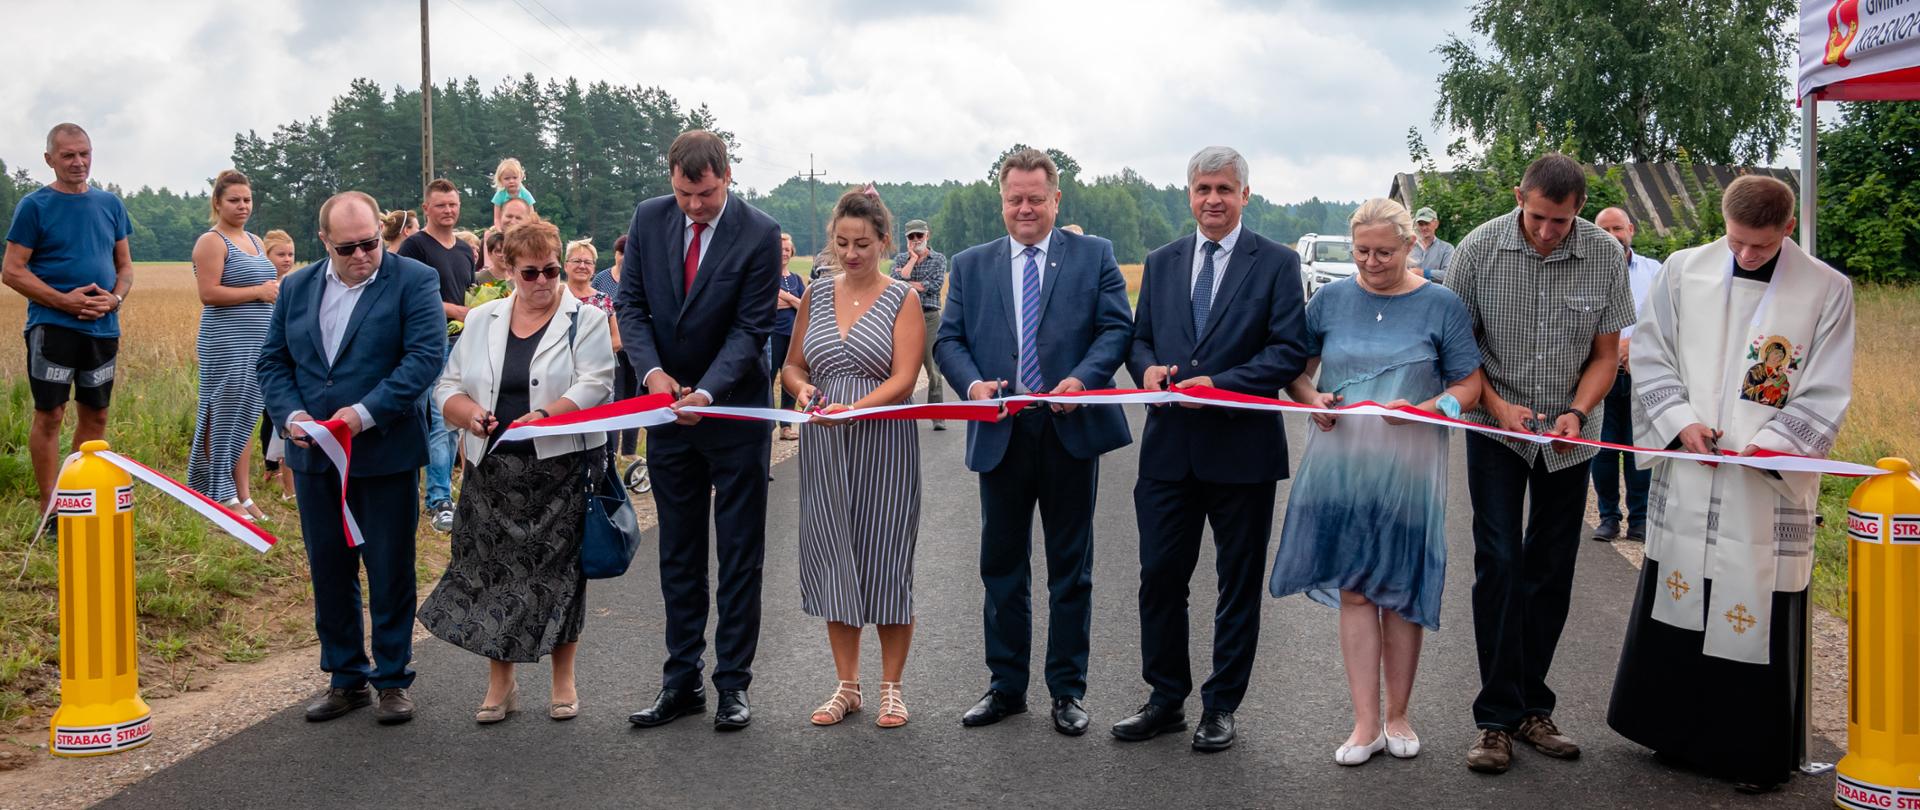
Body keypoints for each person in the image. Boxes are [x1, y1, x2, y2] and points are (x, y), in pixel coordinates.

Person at [1607, 175, 1855, 794]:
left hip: (1761, 481)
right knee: (1682, 589)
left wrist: (1768, 446)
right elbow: (1652, 351)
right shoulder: (1684, 270)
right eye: (1737, 241)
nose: (1745, 255)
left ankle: (1753, 752)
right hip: (1693, 464)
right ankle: (1672, 733)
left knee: (1753, 600)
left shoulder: (1826, 290)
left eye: (1760, 246)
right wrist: (1680, 422)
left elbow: (1826, 385)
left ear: (1787, 230)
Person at [1271, 198, 1486, 765]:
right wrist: (1310, 397)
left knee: (1399, 588)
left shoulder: (1441, 305)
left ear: (1411, 244)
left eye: (1384, 252)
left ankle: (1399, 714)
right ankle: (1365, 722)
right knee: (1356, 588)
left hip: (1409, 466)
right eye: (1362, 251)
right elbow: (1296, 369)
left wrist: (1429, 407)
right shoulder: (1330, 300)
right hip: (1341, 464)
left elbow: (1468, 384)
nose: (1371, 261)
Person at [1444, 153, 1633, 774]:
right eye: (1539, 217)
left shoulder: (1605, 254)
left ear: (1579, 209)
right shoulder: (1476, 250)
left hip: (1571, 435)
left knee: (1550, 568)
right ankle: (1495, 719)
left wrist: (1577, 411)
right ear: (1520, 195)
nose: (1549, 231)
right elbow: (1459, 354)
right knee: (1499, 560)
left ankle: (1533, 708)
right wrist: (1498, 407)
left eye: (1561, 221)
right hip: (1495, 428)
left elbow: (1607, 356)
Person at [1116, 147, 1309, 752]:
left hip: (1242, 453)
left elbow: (1288, 352)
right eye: (1203, 189)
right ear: (1189, 194)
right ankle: (1165, 698)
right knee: (1160, 577)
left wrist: (1220, 387)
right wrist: (1145, 370)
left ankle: (1221, 704)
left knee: (1237, 582)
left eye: (1225, 188)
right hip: (1169, 452)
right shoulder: (1162, 261)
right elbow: (1140, 338)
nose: (1213, 200)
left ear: (1245, 195)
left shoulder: (1275, 264)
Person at [934, 147, 1132, 736]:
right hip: (1002, 432)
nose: (1025, 209)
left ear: (1056, 200)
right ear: (1003, 200)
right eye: (1015, 199)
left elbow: (1116, 327)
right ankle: (1005, 686)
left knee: (1071, 570)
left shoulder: (1094, 256)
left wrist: (1086, 377)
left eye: (1036, 199)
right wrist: (970, 384)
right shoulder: (971, 265)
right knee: (1002, 566)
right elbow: (949, 340)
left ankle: (1068, 691)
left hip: (1070, 431)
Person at [257, 190, 446, 726]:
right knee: (329, 568)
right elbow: (273, 362)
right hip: (314, 456)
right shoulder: (295, 287)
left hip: (383, 451)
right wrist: (292, 417)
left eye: (370, 244)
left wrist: (362, 415)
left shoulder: (413, 280)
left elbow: (424, 358)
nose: (363, 255)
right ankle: (344, 677)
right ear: (325, 242)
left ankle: (391, 679)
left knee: (389, 569)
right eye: (349, 249)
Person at [617, 130, 783, 732]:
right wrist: (655, 374)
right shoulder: (648, 218)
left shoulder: (760, 233)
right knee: (679, 553)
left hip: (734, 413)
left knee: (740, 554)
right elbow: (630, 306)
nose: (694, 206)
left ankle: (733, 684)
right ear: (671, 180)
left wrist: (707, 393)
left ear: (727, 176)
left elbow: (751, 328)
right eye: (685, 193)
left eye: (706, 194)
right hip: (667, 414)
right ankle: (679, 680)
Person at [422, 219, 615, 724]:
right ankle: (500, 684)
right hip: (493, 469)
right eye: (531, 273)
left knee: (561, 576)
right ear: (508, 269)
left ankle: (563, 679)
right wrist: (468, 414)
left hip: (561, 467)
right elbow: (447, 385)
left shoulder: (585, 319)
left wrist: (551, 412)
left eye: (552, 270)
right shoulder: (483, 318)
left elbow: (599, 382)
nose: (544, 281)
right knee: (492, 574)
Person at [780, 190, 925, 728]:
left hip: (883, 438)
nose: (851, 253)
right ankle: (847, 686)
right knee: (836, 553)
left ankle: (892, 688)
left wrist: (855, 409)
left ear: (884, 242)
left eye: (862, 243)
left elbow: (905, 378)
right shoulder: (816, 294)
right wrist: (805, 394)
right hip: (824, 442)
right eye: (841, 243)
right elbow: (793, 366)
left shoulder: (901, 297)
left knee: (885, 557)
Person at [2, 123, 133, 523]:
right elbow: (12, 270)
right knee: (51, 414)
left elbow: (124, 267)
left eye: (84, 154)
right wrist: (64, 301)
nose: (78, 162)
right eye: (68, 156)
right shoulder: (34, 206)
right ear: (49, 160)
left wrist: (115, 299)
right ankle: (50, 505)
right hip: (52, 328)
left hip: (102, 329)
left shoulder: (110, 204)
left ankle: (79, 494)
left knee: (96, 415)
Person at [187, 170, 279, 520]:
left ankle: (241, 493)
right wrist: (258, 292)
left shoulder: (255, 241)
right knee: (220, 413)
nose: (242, 206)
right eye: (234, 200)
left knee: (245, 415)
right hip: (225, 342)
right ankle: (212, 488)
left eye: (247, 200)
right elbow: (208, 294)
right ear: (217, 203)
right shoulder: (211, 242)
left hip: (257, 342)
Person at [397, 178, 478, 535]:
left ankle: (441, 493)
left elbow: (471, 291)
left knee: (451, 422)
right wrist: (456, 310)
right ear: (426, 208)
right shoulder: (415, 246)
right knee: (436, 419)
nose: (449, 210)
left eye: (453, 204)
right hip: (428, 344)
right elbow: (409, 294)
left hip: (464, 344)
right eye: (441, 205)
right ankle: (439, 500)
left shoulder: (463, 250)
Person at [1587, 207, 1662, 542]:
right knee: (1602, 450)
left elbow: (1667, 320)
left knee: (1638, 448)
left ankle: (1640, 519)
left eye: (1618, 228)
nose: (1612, 235)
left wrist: (1636, 343)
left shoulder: (1655, 271)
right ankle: (1608, 517)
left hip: (1641, 375)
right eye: (1604, 230)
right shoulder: (1585, 270)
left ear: (1631, 229)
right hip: (1599, 376)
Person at [890, 218, 949, 430]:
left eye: (919, 236)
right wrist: (913, 259)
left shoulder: (939, 259)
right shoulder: (900, 259)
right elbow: (895, 284)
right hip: (905, 317)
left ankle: (937, 415)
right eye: (911, 237)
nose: (916, 240)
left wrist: (908, 284)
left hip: (930, 316)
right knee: (902, 368)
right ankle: (902, 413)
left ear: (927, 235)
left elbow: (934, 286)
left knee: (933, 368)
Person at [259, 229, 298, 501]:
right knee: (267, 413)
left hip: (288, 356)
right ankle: (270, 465)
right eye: (280, 254)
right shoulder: (262, 286)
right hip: (265, 356)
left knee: (278, 414)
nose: (286, 259)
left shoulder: (296, 284)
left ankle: (278, 466)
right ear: (266, 256)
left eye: (290, 254)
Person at [592, 233, 638, 457]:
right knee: (616, 398)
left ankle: (628, 452)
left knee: (634, 399)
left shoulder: (641, 278)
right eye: (621, 253)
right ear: (615, 254)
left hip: (636, 347)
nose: (625, 258)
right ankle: (611, 450)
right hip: (611, 347)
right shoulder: (602, 279)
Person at [772, 233, 806, 441]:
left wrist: (785, 297)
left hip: (792, 336)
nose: (784, 253)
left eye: (787, 249)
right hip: (772, 335)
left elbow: (804, 306)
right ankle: (767, 426)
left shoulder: (795, 279)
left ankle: (786, 425)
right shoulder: (767, 277)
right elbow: (769, 304)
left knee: (789, 381)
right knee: (768, 380)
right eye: (780, 249)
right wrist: (795, 301)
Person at [564, 237, 612, 314]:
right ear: (566, 266)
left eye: (587, 262)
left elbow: (613, 326)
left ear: (593, 268)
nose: (582, 266)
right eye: (577, 261)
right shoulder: (556, 298)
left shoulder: (603, 300)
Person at [1410, 207, 1454, 282]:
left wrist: (1424, 273)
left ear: (1436, 224)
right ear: (1416, 226)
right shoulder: (1408, 247)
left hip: (1435, 293)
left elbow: (1450, 274)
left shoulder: (1447, 249)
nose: (1424, 228)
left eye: (1427, 223)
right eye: (1420, 224)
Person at [491, 157, 536, 228]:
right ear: (500, 180)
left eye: (515, 178)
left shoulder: (526, 195)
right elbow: (497, 218)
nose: (511, 181)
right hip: (504, 226)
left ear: (521, 177)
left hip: (522, 227)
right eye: (507, 178)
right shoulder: (499, 195)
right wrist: (500, 232)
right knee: (488, 234)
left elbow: (532, 217)